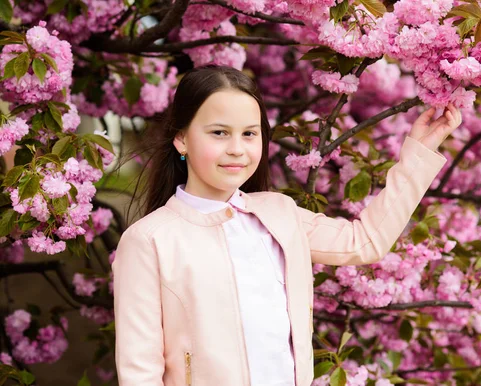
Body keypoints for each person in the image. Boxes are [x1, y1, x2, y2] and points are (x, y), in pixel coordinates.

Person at [112, 64, 462, 386]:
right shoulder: (150, 240)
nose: (237, 149)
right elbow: (140, 372)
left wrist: (419, 151)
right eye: (219, 133)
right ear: (182, 138)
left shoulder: (279, 214)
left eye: (249, 134)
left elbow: (365, 240)